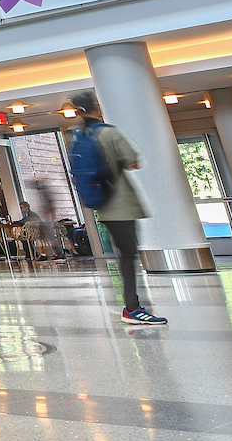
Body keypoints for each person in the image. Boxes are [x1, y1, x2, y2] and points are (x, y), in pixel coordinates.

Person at [66, 90, 167, 326]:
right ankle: (132, 309)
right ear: (96, 107)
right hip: (121, 202)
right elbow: (134, 162)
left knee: (125, 254)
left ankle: (133, 306)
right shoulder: (109, 132)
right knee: (129, 255)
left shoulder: (79, 136)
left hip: (103, 204)